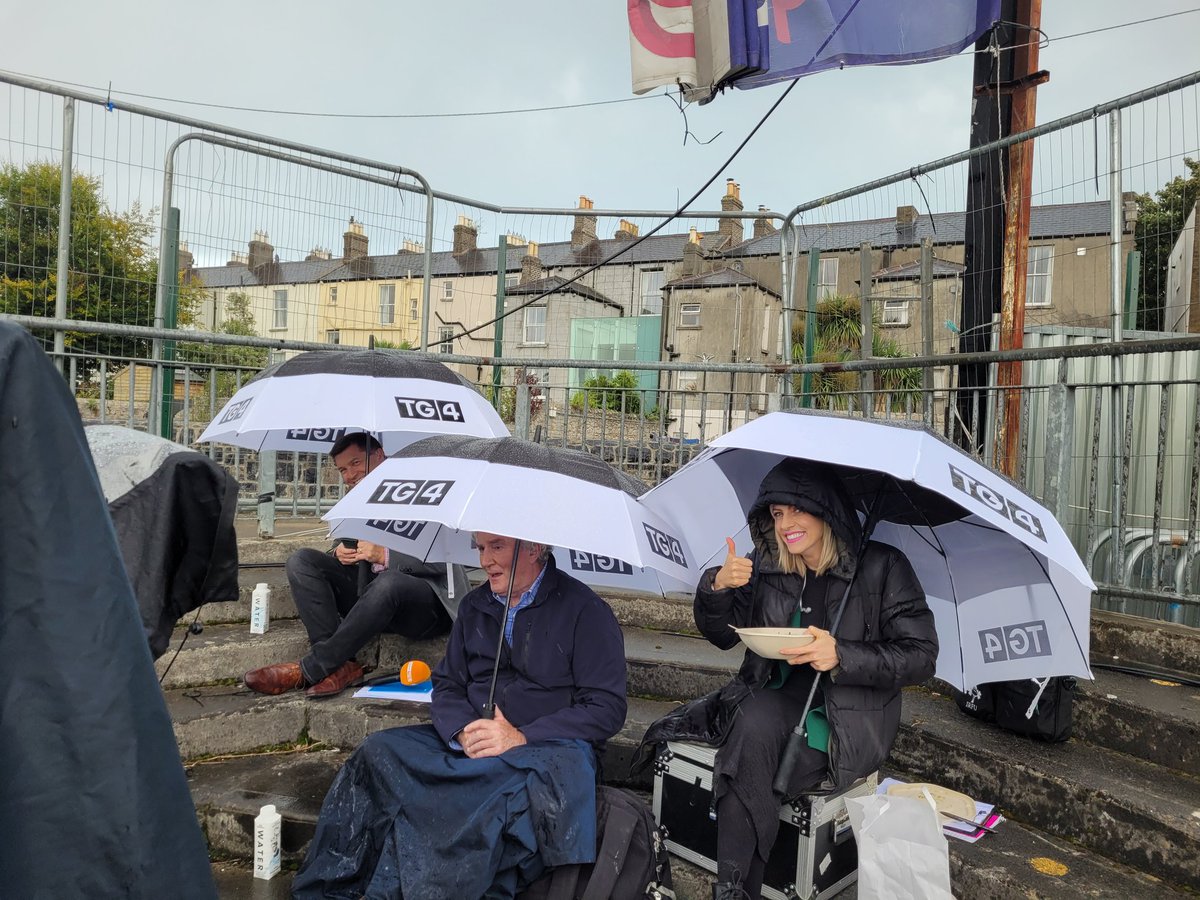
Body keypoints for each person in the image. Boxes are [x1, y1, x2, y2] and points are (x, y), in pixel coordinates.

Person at [639, 458, 938, 900]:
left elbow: (921, 656)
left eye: (798, 510)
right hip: (771, 697)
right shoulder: (770, 563)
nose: (785, 524)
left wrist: (842, 654)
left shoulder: (882, 567)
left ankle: (733, 889)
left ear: (828, 510)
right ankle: (735, 891)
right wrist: (717, 587)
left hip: (845, 716)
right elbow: (722, 635)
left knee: (748, 748)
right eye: (777, 514)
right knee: (753, 728)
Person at [291, 531, 628, 898]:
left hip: (547, 751)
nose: (485, 561)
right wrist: (462, 731)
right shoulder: (474, 606)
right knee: (378, 752)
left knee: (494, 797)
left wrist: (520, 737)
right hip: (473, 741)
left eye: (497, 547)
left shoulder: (586, 610)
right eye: (481, 548)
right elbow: (448, 685)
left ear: (534, 548)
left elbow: (606, 708)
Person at [243, 432, 466, 698]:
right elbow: (347, 545)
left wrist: (386, 556)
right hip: (369, 601)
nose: (349, 475)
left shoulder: (422, 490)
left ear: (379, 456)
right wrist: (338, 552)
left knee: (388, 582)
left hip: (423, 606)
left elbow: (446, 562)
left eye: (356, 463)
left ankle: (314, 667)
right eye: (342, 469)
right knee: (301, 561)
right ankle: (341, 665)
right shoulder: (358, 499)